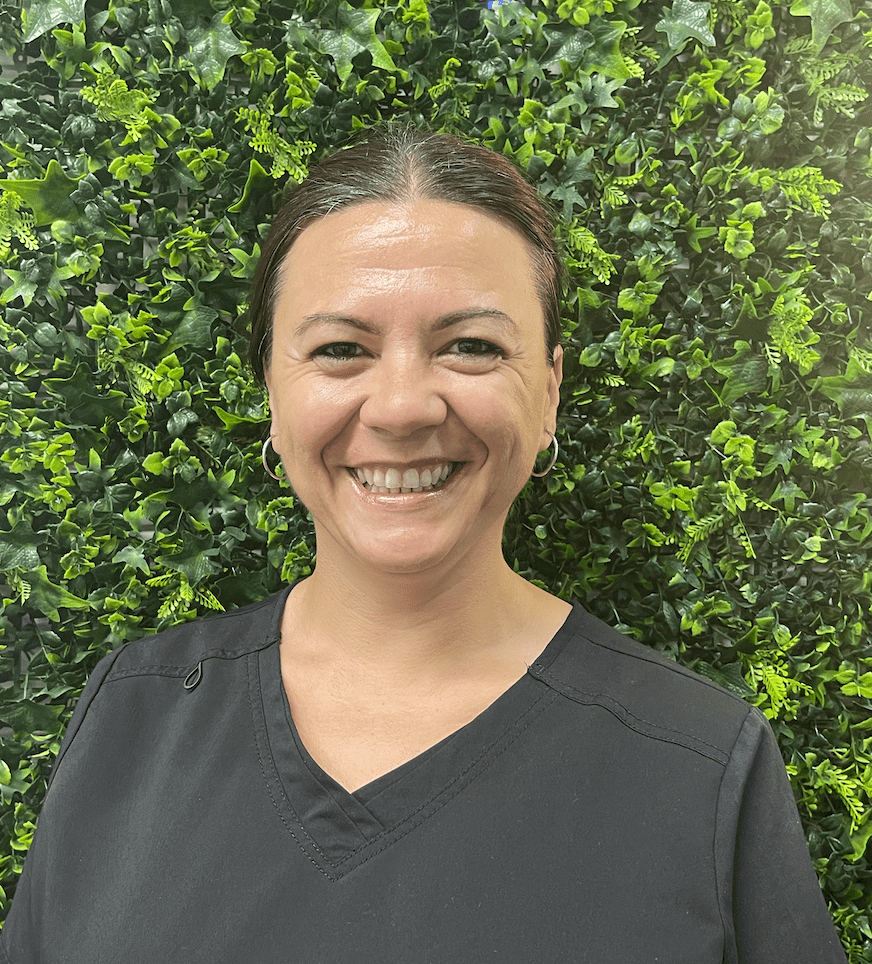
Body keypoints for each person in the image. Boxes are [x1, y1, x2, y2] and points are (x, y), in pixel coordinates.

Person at [0, 124, 847, 964]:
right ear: (272, 391)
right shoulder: (133, 711)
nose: (401, 406)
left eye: (470, 347)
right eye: (340, 349)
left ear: (549, 390)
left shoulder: (697, 763)